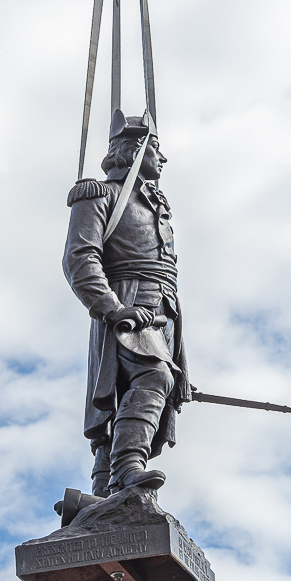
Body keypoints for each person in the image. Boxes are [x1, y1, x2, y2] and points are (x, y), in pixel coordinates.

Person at [63, 109, 190, 497]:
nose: (162, 158)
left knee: (134, 390)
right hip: (127, 301)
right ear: (134, 149)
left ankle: (103, 489)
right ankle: (128, 466)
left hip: (164, 310)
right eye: (155, 148)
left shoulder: (156, 204)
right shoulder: (100, 195)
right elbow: (80, 257)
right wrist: (112, 307)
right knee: (154, 376)